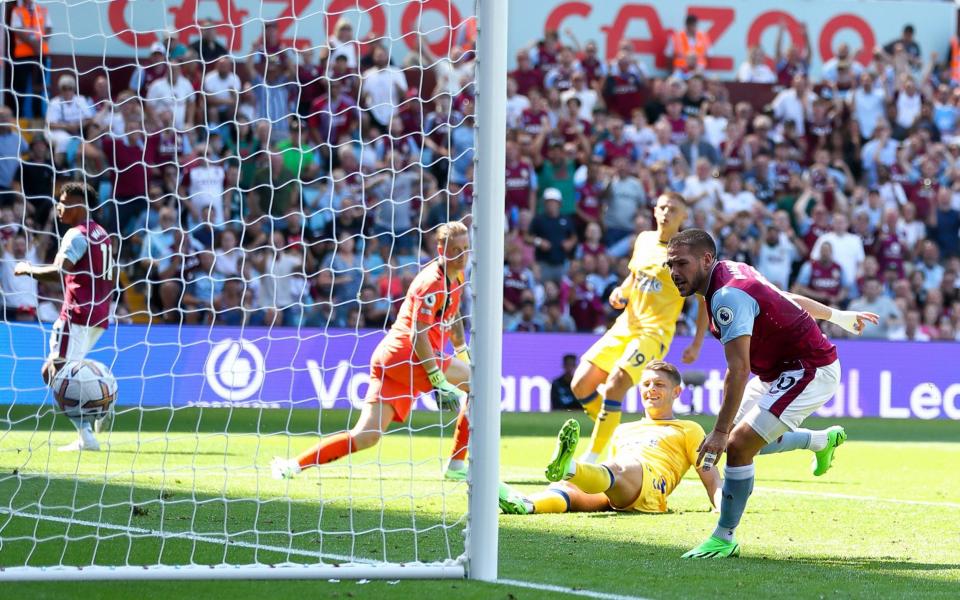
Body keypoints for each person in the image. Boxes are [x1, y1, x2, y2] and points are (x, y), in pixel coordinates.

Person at [664, 229, 879, 559]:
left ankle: (724, 537)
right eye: (670, 265)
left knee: (736, 444)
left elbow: (738, 370)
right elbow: (784, 298)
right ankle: (820, 441)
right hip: (777, 371)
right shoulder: (733, 269)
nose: (675, 272)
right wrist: (838, 316)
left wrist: (721, 432)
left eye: (682, 263)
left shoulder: (727, 295)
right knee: (744, 442)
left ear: (706, 260)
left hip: (808, 369)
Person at [271, 222, 472, 480]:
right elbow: (418, 334)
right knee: (479, 385)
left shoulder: (457, 275)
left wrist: (461, 350)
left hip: (391, 358)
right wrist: (437, 378)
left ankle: (292, 466)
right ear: (441, 249)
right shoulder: (431, 283)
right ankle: (456, 465)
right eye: (456, 250)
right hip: (408, 355)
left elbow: (452, 315)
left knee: (366, 436)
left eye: (466, 249)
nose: (462, 256)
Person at [570, 192, 707, 464]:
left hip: (653, 334)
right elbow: (634, 276)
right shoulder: (644, 240)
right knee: (580, 385)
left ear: (684, 217)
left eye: (673, 209)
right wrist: (621, 291)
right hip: (625, 326)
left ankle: (593, 457)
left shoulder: (687, 254)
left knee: (614, 387)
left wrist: (696, 343)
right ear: (655, 211)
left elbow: (703, 300)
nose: (666, 213)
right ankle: (614, 432)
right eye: (663, 207)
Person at [500, 361, 721, 515]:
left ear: (676, 392)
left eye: (659, 384)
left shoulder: (689, 428)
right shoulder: (623, 430)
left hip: (651, 490)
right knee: (568, 487)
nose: (651, 389)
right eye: (646, 384)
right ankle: (528, 504)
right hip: (620, 488)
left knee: (620, 466)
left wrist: (721, 506)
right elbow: (608, 479)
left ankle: (571, 467)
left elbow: (711, 476)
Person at [14, 182, 115, 452]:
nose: (59, 206)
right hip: (100, 314)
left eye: (63, 201)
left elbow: (59, 271)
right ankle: (102, 407)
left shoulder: (76, 234)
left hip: (77, 314)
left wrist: (28, 269)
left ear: (79, 205)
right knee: (67, 371)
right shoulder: (102, 234)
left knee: (54, 373)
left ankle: (89, 432)